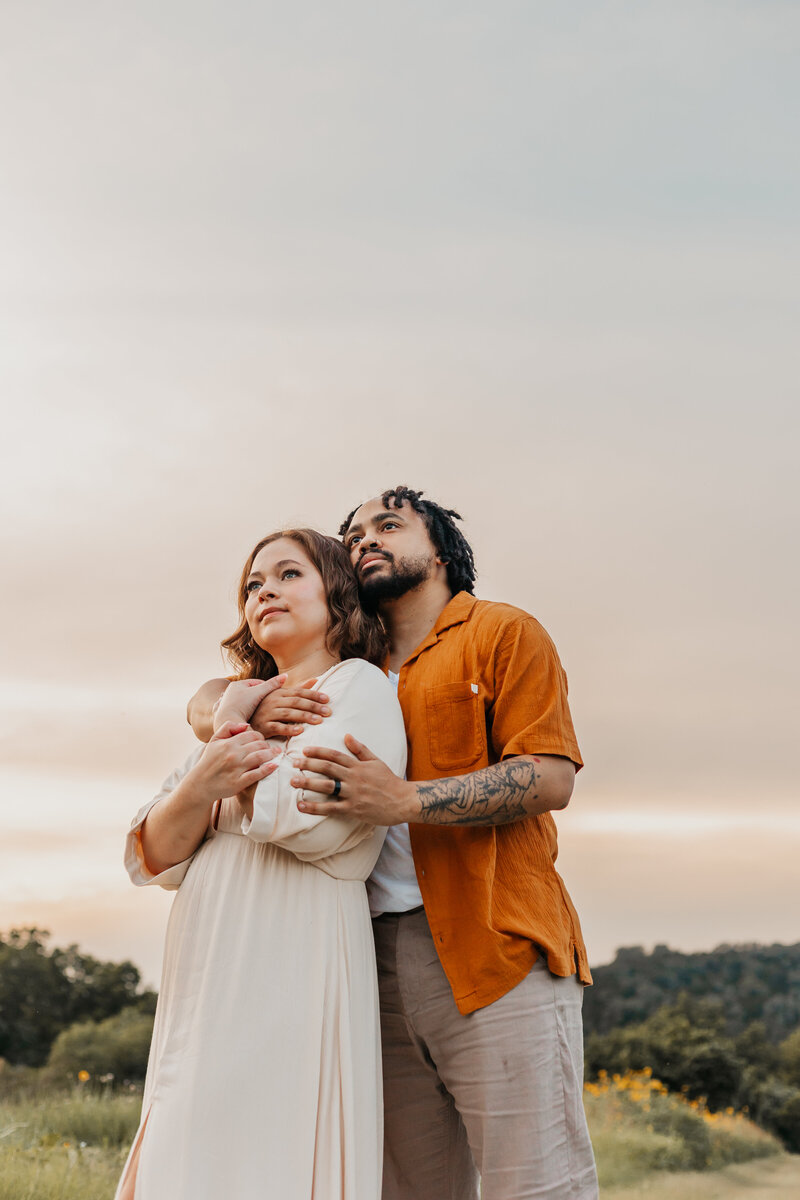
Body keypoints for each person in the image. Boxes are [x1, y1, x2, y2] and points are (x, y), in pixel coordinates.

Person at [189, 488, 599, 1200]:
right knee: (407, 1188)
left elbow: (551, 775)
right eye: (352, 535)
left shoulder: (501, 632)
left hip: (493, 947)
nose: (365, 539)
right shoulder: (349, 668)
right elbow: (211, 694)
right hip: (363, 962)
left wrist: (408, 802)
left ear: (440, 549)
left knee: (536, 1185)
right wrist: (227, 703)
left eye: (389, 524)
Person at [116, 529, 407, 1200]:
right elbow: (153, 851)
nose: (265, 590)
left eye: (288, 574)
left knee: (264, 1148)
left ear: (337, 598)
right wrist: (212, 764)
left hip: (290, 954)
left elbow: (293, 814)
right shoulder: (241, 705)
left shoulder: (357, 687)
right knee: (187, 1140)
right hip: (210, 962)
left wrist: (221, 747)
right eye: (253, 584)